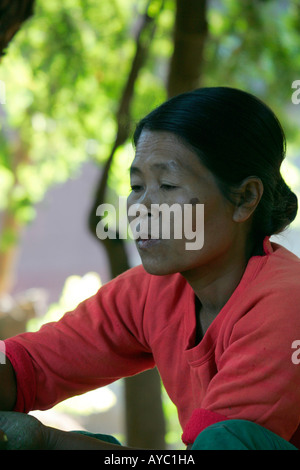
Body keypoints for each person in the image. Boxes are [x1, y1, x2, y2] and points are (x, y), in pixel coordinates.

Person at [0, 86, 300, 450]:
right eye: (137, 186)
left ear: (244, 198)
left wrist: (46, 441)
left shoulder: (287, 302)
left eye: (168, 185)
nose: (141, 207)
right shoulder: (153, 291)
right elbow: (29, 365)